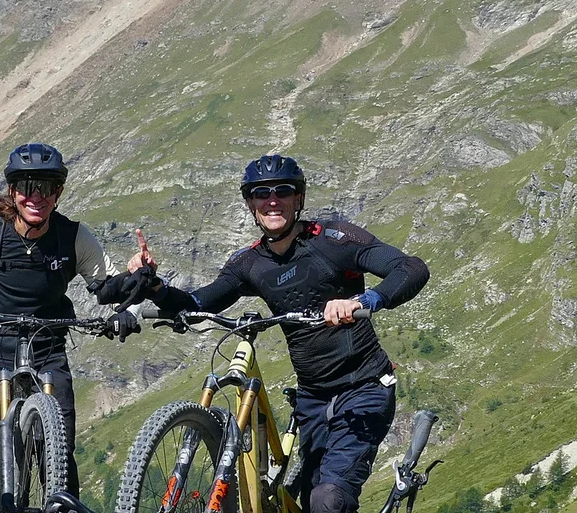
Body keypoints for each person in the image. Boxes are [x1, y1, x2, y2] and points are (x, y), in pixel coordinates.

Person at [141, 154, 429, 513]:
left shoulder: (335, 240)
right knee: (304, 502)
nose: (272, 200)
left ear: (299, 199)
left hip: (365, 389)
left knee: (328, 501)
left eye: (283, 191)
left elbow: (411, 268)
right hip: (312, 400)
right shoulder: (249, 263)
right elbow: (197, 302)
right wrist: (154, 285)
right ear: (251, 204)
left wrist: (363, 300)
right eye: (262, 193)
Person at [0, 143, 158, 491]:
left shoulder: (73, 237)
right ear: (12, 191)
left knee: (58, 460)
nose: (36, 196)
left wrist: (135, 296)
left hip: (47, 352)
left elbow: (107, 287)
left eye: (48, 187)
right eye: (27, 186)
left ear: (59, 192)